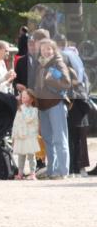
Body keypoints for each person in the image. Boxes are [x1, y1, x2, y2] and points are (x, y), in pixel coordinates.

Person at [33, 38, 71, 179]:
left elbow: (66, 83)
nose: (46, 51)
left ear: (54, 50)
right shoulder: (41, 65)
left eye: (49, 49)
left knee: (59, 139)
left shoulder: (58, 62)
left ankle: (62, 172)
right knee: (48, 139)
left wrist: (51, 80)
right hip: (43, 106)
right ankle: (52, 170)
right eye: (43, 49)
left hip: (56, 104)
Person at [57, 35, 90, 176]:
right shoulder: (76, 56)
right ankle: (79, 168)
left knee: (70, 135)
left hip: (72, 100)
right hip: (82, 98)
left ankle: (71, 168)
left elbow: (62, 77)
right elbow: (85, 78)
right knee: (79, 135)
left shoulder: (62, 56)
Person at [12, 89, 40, 180]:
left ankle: (32, 173)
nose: (25, 100)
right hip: (21, 136)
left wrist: (36, 133)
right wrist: (14, 136)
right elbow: (16, 123)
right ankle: (20, 173)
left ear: (31, 99)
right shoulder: (19, 109)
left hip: (30, 136)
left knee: (32, 156)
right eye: (23, 97)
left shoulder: (34, 110)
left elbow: (33, 121)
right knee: (21, 156)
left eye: (27, 98)